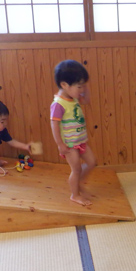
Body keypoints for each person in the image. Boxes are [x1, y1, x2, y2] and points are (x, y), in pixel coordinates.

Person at [50, 59, 97, 206]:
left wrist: (85, 88)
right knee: (76, 169)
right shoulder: (58, 104)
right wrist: (60, 144)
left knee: (92, 162)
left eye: (83, 86)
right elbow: (54, 124)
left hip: (80, 141)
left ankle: (78, 182)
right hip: (69, 144)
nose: (82, 90)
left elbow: (87, 101)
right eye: (79, 86)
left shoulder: (73, 97)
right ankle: (75, 195)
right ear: (64, 85)